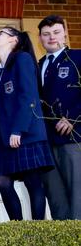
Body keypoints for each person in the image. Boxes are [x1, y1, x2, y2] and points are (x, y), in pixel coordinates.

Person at [0, 27, 53, 221]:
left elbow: (28, 97)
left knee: (33, 182)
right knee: (2, 181)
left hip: (26, 133)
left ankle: (37, 228)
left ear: (13, 40)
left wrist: (18, 129)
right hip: (4, 136)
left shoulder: (22, 59)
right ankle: (18, 228)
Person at [37, 15, 81, 220]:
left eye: (56, 32)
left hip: (74, 138)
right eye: (46, 34)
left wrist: (73, 117)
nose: (51, 37)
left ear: (65, 33)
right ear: (40, 38)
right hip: (46, 141)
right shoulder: (38, 65)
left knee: (77, 194)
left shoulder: (78, 57)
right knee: (56, 198)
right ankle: (64, 244)